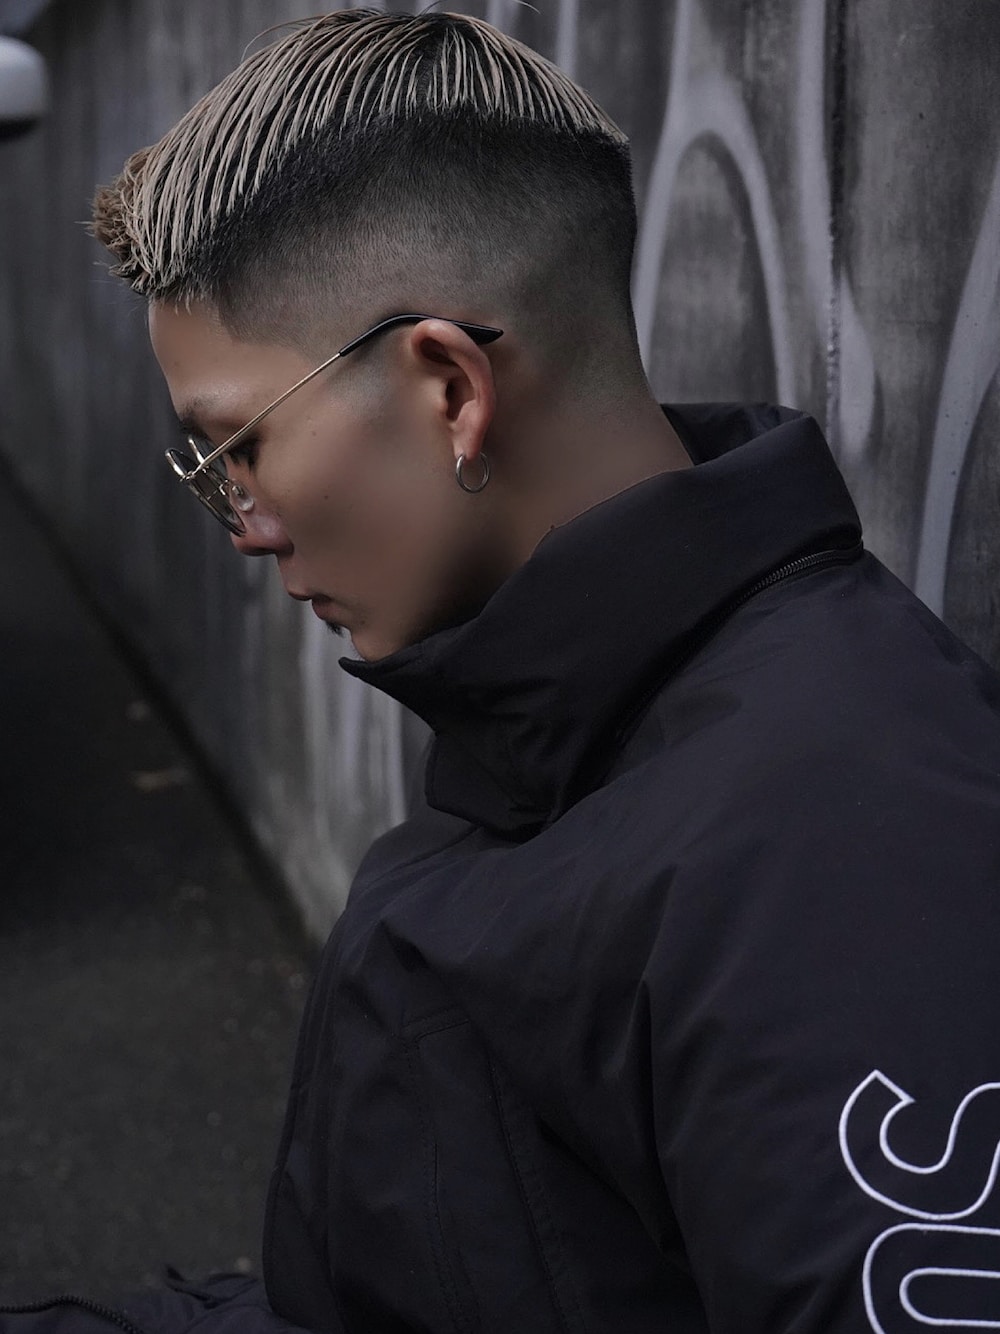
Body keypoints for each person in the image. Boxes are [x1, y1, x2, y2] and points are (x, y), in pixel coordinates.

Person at [4, 9, 1000, 1332]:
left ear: (450, 390)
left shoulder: (847, 831)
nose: (245, 521)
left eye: (238, 446)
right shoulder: (579, 731)